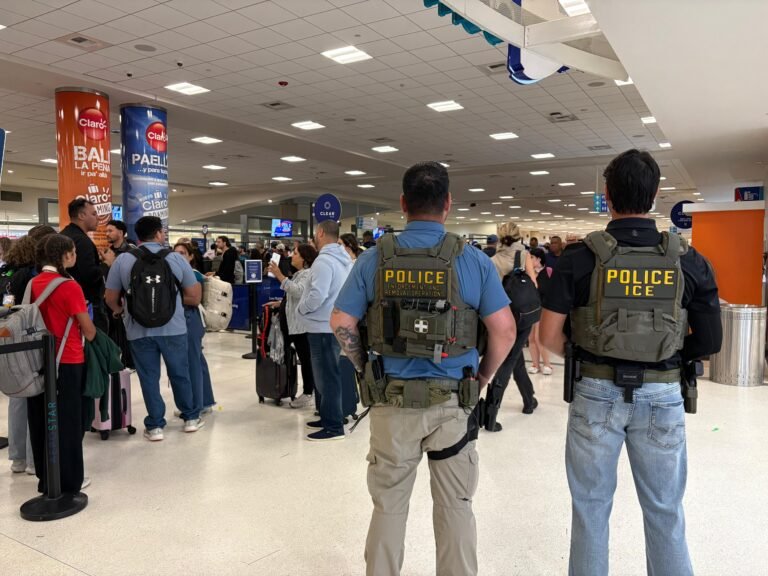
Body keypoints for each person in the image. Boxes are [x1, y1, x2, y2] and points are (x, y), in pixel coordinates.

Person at [540, 149, 723, 576]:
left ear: (607, 194)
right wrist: (672, 356)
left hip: (595, 392)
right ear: (656, 195)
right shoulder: (687, 260)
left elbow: (548, 338)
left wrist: (586, 348)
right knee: (665, 512)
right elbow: (710, 340)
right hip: (663, 393)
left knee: (590, 511)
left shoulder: (579, 258)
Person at [330, 161, 516, 576]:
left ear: (403, 204)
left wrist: (364, 369)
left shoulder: (374, 259)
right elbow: (504, 331)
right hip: (453, 404)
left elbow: (341, 322)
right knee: (456, 509)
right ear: (448, 204)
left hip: (391, 403)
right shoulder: (473, 261)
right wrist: (483, 380)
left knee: (388, 507)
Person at [105, 216, 204, 441]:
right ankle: (190, 418)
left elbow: (110, 297)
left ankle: (156, 426)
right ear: (159, 234)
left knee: (149, 376)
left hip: (138, 329)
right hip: (174, 328)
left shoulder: (123, 260)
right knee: (180, 373)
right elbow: (195, 296)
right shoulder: (175, 259)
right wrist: (173, 303)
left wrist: (121, 311)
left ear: (137, 236)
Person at [28, 234, 97, 495]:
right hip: (67, 359)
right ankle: (68, 481)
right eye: (74, 252)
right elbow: (88, 330)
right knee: (69, 422)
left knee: (41, 420)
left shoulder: (33, 283)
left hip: (36, 362)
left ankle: (46, 478)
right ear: (65, 255)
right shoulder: (69, 286)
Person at [4, 225, 57, 475]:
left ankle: (18, 458)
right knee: (36, 395)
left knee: (17, 396)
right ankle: (35, 458)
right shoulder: (33, 275)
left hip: (9, 338)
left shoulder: (9, 272)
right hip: (32, 339)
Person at [296, 220, 352, 441]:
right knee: (329, 376)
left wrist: (301, 308)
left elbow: (317, 295)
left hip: (321, 327)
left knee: (326, 378)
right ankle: (329, 416)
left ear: (320, 232)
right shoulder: (343, 259)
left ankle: (333, 427)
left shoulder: (323, 262)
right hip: (334, 323)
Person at [488, 221, 540, 421]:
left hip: (500, 317)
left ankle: (529, 399)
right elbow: (532, 284)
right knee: (509, 361)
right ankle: (491, 412)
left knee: (515, 358)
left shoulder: (493, 261)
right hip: (522, 316)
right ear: (519, 237)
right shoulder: (523, 255)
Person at [268, 243, 318, 409]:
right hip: (294, 325)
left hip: (302, 326)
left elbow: (298, 291)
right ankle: (307, 391)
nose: (292, 256)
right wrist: (280, 303)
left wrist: (280, 276)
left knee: (306, 360)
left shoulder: (308, 274)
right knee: (304, 358)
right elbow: (293, 296)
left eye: (296, 253)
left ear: (304, 258)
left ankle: (309, 392)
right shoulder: (299, 274)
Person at [173, 242, 216, 418]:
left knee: (193, 363)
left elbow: (194, 299)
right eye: (175, 254)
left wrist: (168, 295)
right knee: (198, 361)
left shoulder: (193, 275)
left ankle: (195, 406)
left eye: (182, 253)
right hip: (185, 320)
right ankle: (204, 401)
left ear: (191, 256)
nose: (178, 257)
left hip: (191, 320)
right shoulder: (179, 274)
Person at [61, 198, 108, 332]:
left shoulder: (65, 235)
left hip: (70, 302)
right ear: (81, 215)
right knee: (96, 347)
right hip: (87, 305)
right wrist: (106, 264)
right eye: (93, 214)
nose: (98, 218)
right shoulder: (81, 241)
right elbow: (90, 275)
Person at [527, 247, 553, 376]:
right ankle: (535, 364)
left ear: (538, 259)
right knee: (531, 338)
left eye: (531, 257)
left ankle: (547, 364)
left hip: (544, 308)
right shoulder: (529, 273)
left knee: (539, 338)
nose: (529, 260)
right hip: (531, 308)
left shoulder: (548, 272)